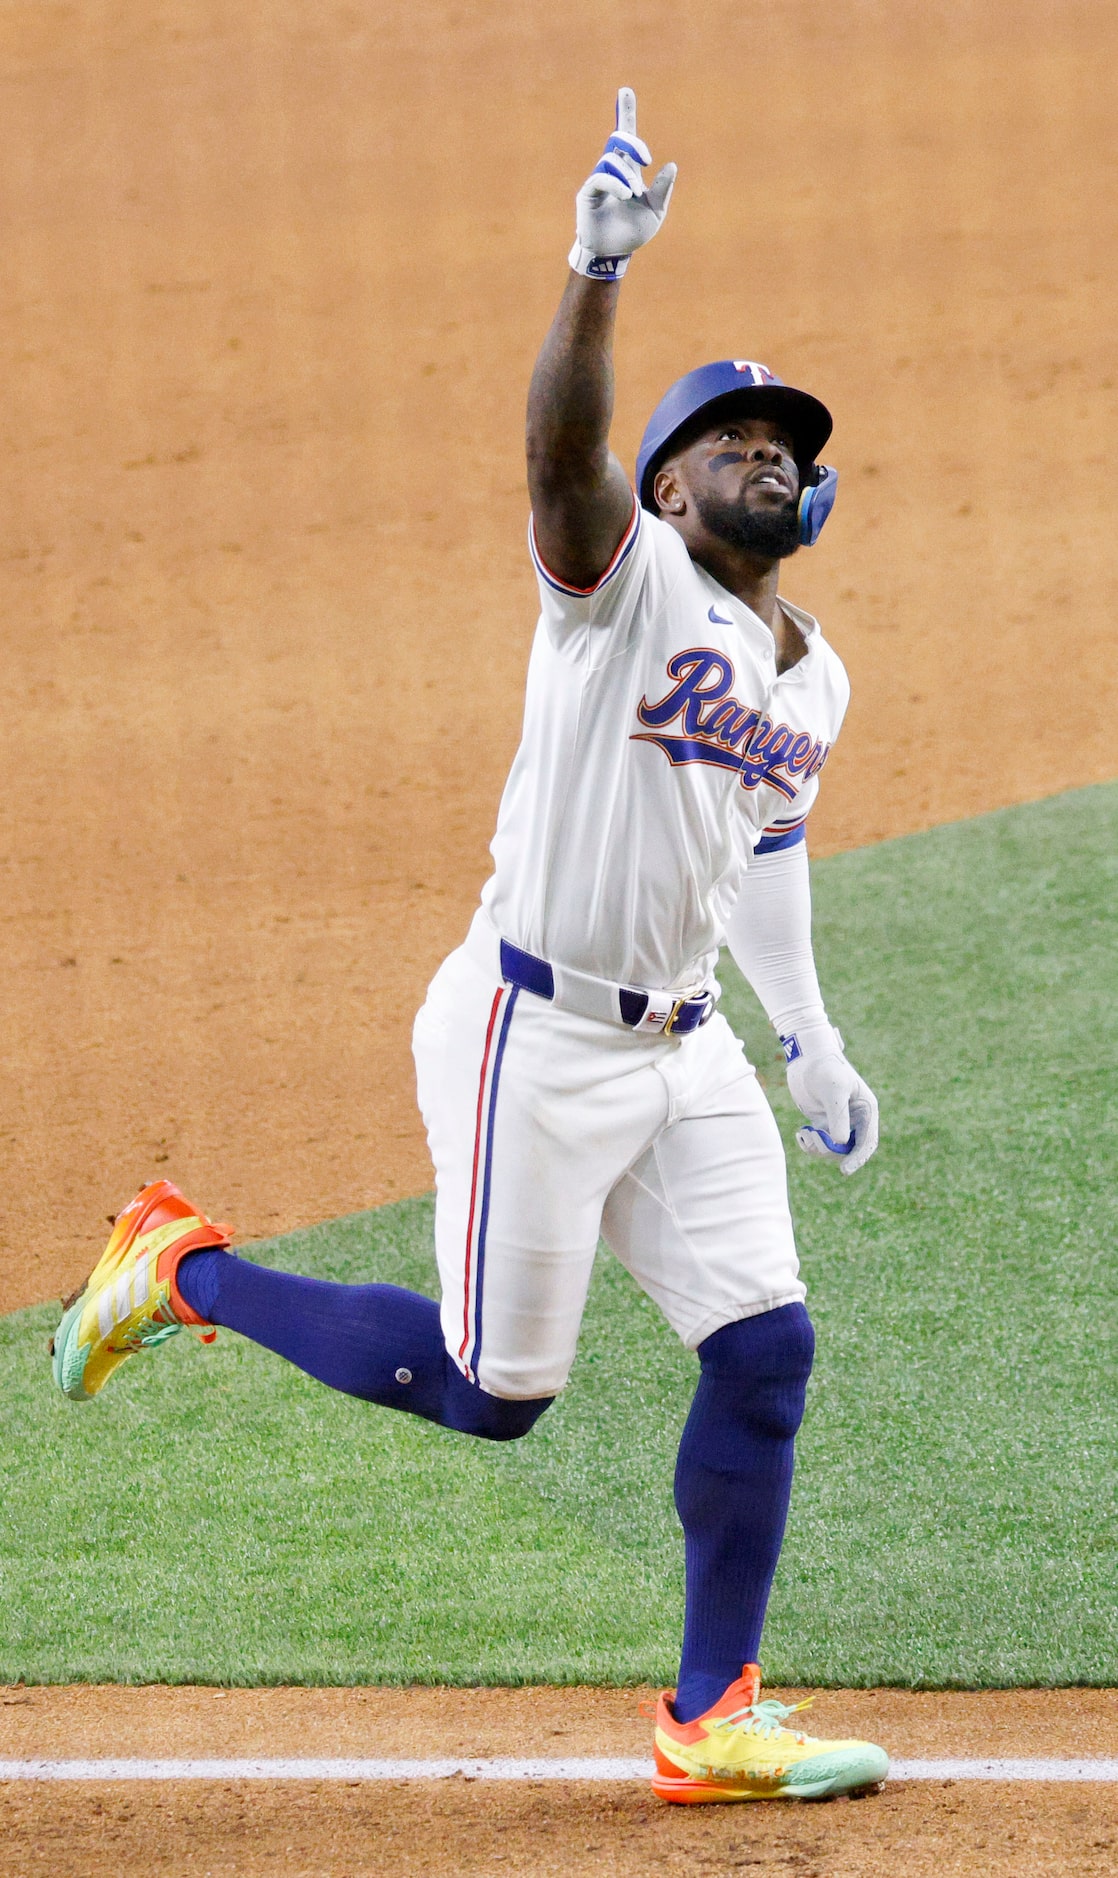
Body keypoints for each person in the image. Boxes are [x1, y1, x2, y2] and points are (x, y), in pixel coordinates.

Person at [51, 89, 888, 1803]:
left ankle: (708, 1713)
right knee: (497, 1394)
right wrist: (592, 279)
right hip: (532, 1034)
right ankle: (179, 1263)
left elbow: (769, 845)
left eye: (785, 440)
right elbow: (556, 458)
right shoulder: (620, 581)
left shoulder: (816, 675)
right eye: (726, 439)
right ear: (663, 485)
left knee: (766, 1346)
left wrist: (803, 1032)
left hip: (685, 1047)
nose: (765, 453)